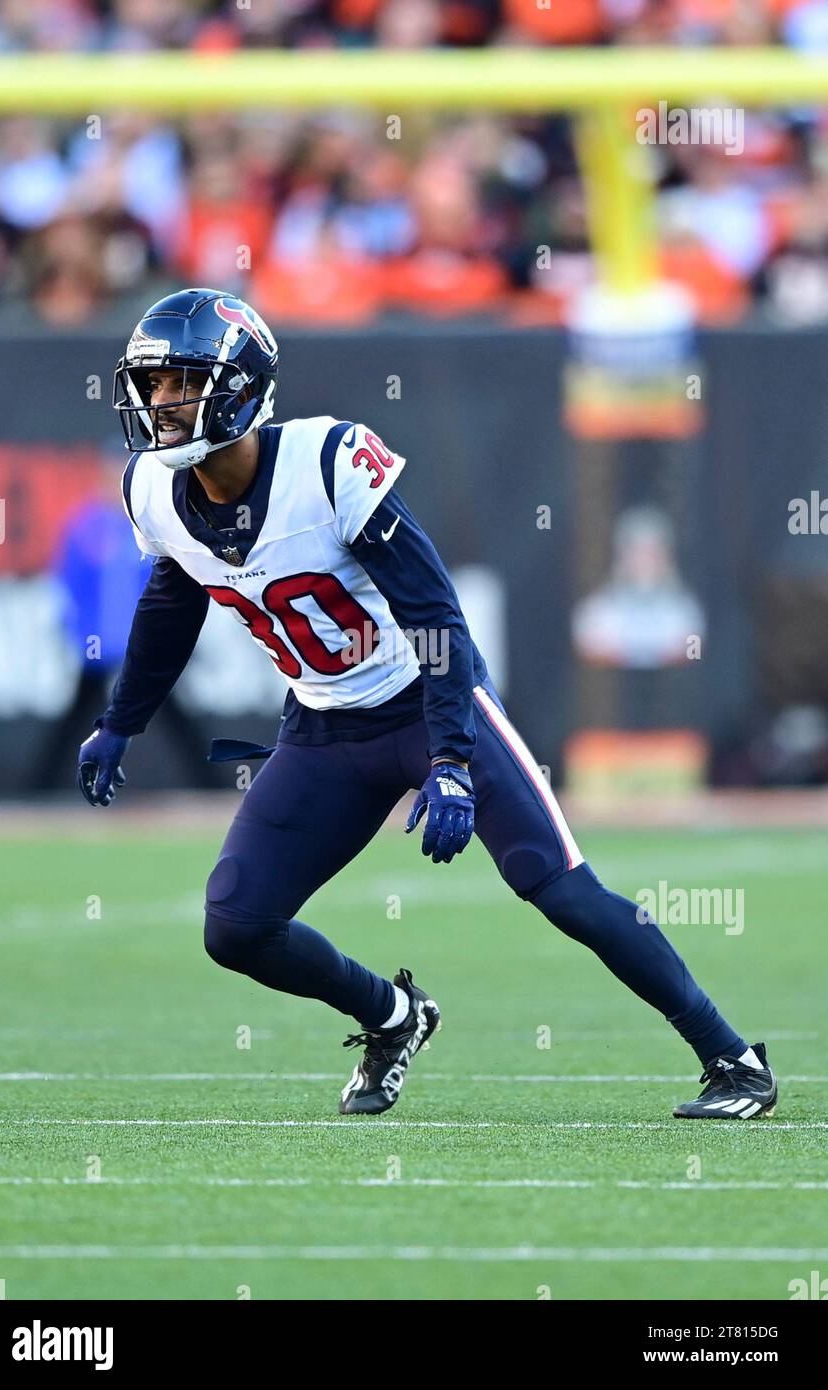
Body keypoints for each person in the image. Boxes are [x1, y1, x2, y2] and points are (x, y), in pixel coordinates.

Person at [78, 287, 777, 1121]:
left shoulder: (328, 463)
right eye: (152, 385)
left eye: (181, 381)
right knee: (235, 924)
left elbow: (436, 617)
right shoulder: (154, 492)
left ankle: (733, 1059)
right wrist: (121, 721)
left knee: (558, 888)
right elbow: (173, 595)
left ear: (240, 384)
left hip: (425, 702)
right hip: (323, 725)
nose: (161, 404)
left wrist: (449, 760)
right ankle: (394, 1017)